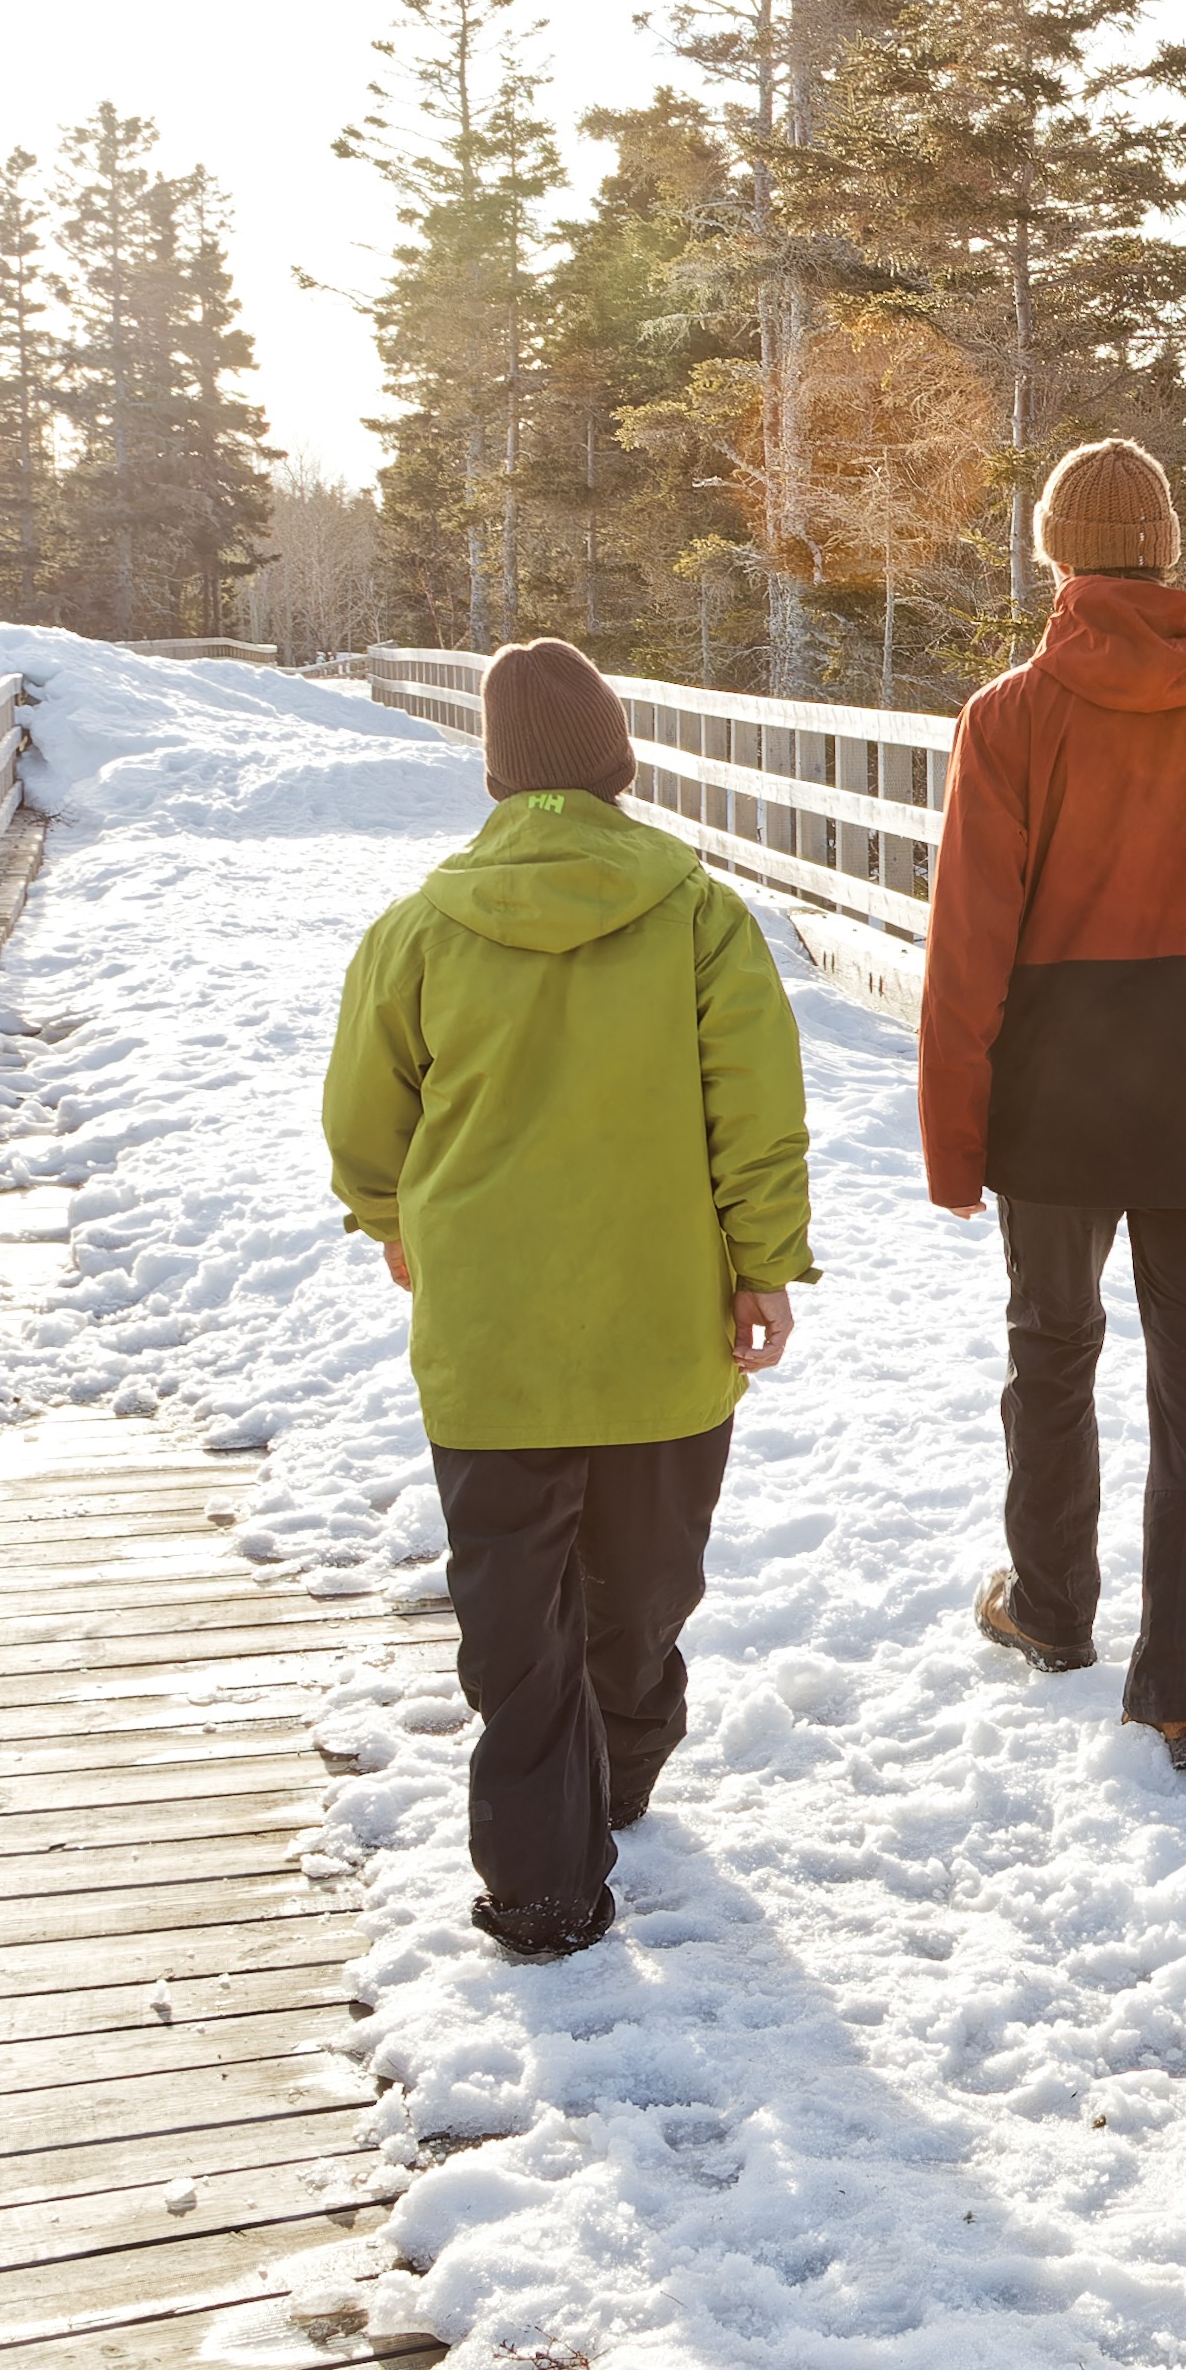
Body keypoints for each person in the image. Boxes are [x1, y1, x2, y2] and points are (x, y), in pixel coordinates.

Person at [322, 636, 815, 1959]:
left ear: (495, 772)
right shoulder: (699, 912)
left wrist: (394, 1221)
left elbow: (363, 1125)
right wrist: (763, 1261)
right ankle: (629, 1757)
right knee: (643, 1583)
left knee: (512, 1608)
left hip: (489, 1345)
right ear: (616, 760)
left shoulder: (419, 928)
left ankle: (542, 1880)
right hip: (665, 1334)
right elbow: (756, 1110)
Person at [918, 438, 1186, 1776]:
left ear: (1059, 555)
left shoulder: (1013, 717)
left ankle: (1051, 1605)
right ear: (1164, 547)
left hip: (1058, 1083)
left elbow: (969, 942)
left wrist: (954, 1130)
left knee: (1052, 1339)